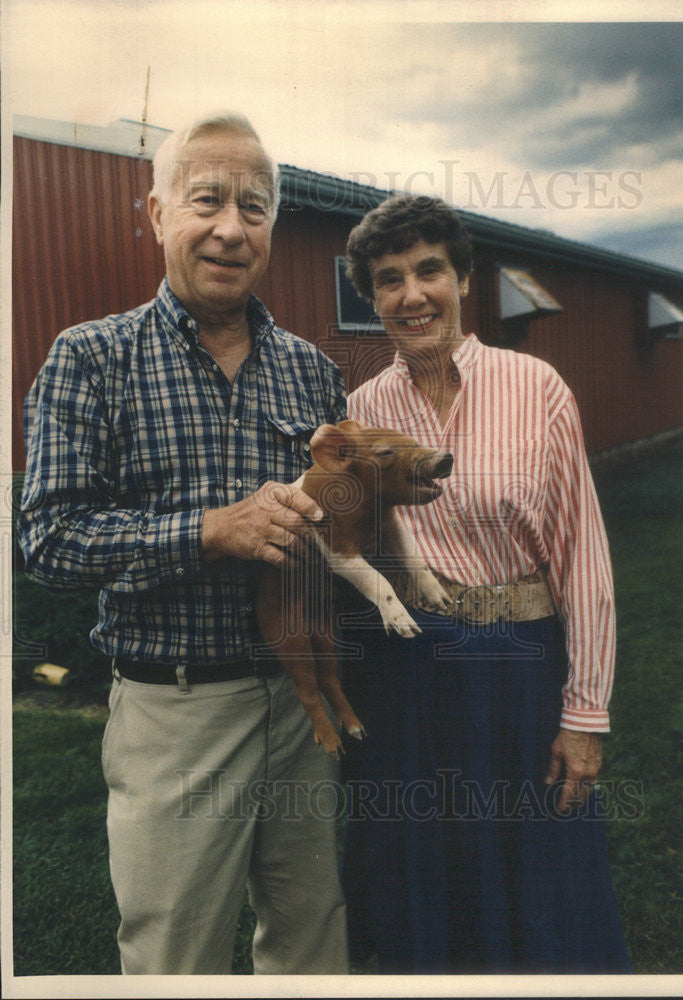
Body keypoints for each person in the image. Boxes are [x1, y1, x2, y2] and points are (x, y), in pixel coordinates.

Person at [17, 111, 349, 975]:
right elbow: (47, 539)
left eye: (256, 206)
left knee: (311, 939)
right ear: (158, 212)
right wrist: (209, 530)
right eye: (207, 200)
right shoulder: (91, 357)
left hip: (299, 703)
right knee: (176, 958)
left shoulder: (312, 373)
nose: (231, 228)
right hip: (175, 712)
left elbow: (338, 526)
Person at [337, 193, 632, 974]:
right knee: (429, 884)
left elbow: (583, 560)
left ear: (463, 278)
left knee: (540, 881)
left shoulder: (536, 388)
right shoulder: (363, 411)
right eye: (388, 279)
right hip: (411, 681)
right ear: (372, 300)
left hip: (520, 674)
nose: (411, 294)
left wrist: (584, 715)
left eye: (428, 270)